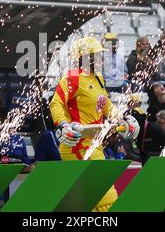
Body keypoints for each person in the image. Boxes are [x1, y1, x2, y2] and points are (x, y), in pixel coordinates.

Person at [50, 36, 139, 212]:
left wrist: (123, 118)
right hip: (77, 146)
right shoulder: (72, 78)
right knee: (104, 198)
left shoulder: (98, 78)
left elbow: (105, 105)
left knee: (97, 200)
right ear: (86, 58)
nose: (102, 58)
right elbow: (56, 103)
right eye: (98, 55)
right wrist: (63, 124)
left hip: (94, 145)